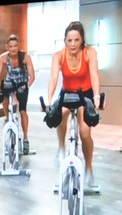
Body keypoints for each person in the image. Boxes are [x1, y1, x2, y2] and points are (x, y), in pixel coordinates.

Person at [47, 21, 102, 189]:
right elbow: (54, 78)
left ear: (82, 40)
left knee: (85, 133)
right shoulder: (59, 55)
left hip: (85, 94)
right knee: (59, 115)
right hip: (67, 93)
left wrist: (97, 96)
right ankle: (62, 147)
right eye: (69, 40)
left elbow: (94, 75)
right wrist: (49, 99)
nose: (72, 44)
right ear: (65, 40)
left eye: (76, 40)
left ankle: (89, 168)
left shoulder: (89, 53)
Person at [0, 34, 36, 154]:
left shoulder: (25, 57)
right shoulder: (3, 58)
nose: (13, 49)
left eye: (15, 46)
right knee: (3, 96)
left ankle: (26, 138)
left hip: (22, 83)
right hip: (10, 82)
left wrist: (27, 86)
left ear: (18, 46)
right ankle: (7, 118)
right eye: (11, 46)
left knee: (22, 111)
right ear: (7, 47)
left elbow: (32, 76)